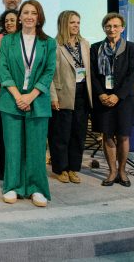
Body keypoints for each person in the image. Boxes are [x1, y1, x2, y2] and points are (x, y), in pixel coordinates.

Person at [0, 0, 56, 207]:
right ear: (19, 17)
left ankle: (36, 188)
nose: (29, 16)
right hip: (11, 100)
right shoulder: (8, 41)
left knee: (36, 148)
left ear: (39, 18)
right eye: (26, 12)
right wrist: (18, 96)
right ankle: (12, 186)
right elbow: (3, 70)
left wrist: (30, 96)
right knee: (13, 147)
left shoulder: (49, 43)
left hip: (37, 101)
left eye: (34, 13)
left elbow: (49, 71)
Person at [90, 12, 134, 187]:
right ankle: (112, 172)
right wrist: (101, 94)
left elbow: (131, 75)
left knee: (123, 135)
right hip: (103, 98)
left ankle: (122, 172)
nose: (112, 29)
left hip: (124, 99)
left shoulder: (132, 48)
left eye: (116, 26)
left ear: (122, 28)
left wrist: (117, 95)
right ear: (104, 28)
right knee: (107, 135)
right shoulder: (95, 48)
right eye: (108, 26)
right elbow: (92, 75)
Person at [49, 11, 92, 184]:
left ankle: (73, 168)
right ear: (63, 24)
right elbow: (49, 74)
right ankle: (61, 169)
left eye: (78, 22)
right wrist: (53, 97)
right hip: (63, 95)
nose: (76, 26)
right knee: (61, 135)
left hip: (82, 95)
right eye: (72, 22)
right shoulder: (54, 45)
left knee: (78, 134)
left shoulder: (85, 44)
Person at [0, 9, 19, 180]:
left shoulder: (25, 40)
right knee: (2, 133)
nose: (9, 23)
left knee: (17, 134)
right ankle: (3, 169)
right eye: (7, 21)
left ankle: (17, 168)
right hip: (0, 93)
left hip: (21, 95)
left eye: (12, 20)